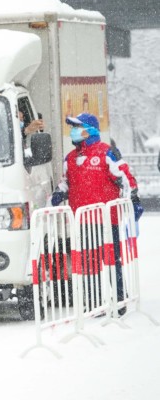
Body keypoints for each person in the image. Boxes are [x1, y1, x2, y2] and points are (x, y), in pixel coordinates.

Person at [50, 112, 142, 311]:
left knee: (110, 261)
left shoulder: (107, 152)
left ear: (90, 130)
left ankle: (119, 300)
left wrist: (132, 200)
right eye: (72, 128)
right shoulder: (70, 158)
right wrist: (58, 194)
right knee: (88, 263)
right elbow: (66, 182)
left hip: (108, 220)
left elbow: (126, 179)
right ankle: (95, 302)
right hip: (82, 221)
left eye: (77, 127)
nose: (73, 131)